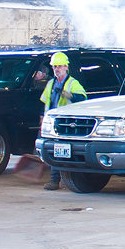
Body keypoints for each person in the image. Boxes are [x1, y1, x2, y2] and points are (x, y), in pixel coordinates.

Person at [39, 52, 87, 191]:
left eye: (59, 66)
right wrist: (42, 120)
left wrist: (69, 95)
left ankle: (69, 179)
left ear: (66, 67)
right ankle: (54, 180)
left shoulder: (72, 83)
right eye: (55, 66)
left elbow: (83, 98)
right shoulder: (50, 84)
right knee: (55, 150)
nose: (57, 69)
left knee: (65, 151)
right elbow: (45, 103)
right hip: (53, 123)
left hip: (68, 124)